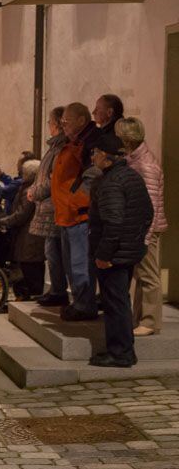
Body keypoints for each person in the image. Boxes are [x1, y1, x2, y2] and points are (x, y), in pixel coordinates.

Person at [87, 134, 153, 367]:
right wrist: (136, 241)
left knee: (115, 304)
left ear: (106, 156)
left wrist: (104, 255)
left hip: (114, 254)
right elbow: (147, 214)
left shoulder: (111, 182)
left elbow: (112, 222)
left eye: (94, 152)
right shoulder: (131, 176)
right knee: (119, 301)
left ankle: (120, 352)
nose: (92, 157)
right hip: (127, 250)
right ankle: (124, 350)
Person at [116, 117, 168, 336]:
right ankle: (141, 318)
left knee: (149, 275)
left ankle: (150, 321)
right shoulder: (134, 160)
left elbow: (152, 205)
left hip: (146, 229)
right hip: (138, 228)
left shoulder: (146, 165)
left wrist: (145, 236)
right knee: (141, 274)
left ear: (126, 138)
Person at [51, 102, 101, 321]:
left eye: (66, 122)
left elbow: (93, 174)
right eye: (61, 122)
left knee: (80, 265)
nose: (63, 126)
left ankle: (84, 305)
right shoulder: (72, 142)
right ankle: (79, 303)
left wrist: (75, 199)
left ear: (81, 121)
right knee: (72, 264)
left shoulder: (89, 143)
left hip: (78, 214)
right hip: (66, 213)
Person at [28, 107, 69, 307]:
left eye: (50, 122)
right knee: (52, 252)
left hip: (54, 207)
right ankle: (56, 289)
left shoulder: (61, 147)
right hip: (49, 206)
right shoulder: (55, 147)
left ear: (57, 124)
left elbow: (54, 179)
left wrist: (35, 192)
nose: (49, 126)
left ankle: (59, 291)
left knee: (55, 253)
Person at [0, 160, 46, 300]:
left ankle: (31, 295)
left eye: (23, 172)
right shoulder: (28, 187)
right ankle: (30, 294)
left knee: (30, 268)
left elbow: (22, 214)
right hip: (29, 234)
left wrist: (4, 221)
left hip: (29, 236)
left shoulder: (29, 190)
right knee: (31, 266)